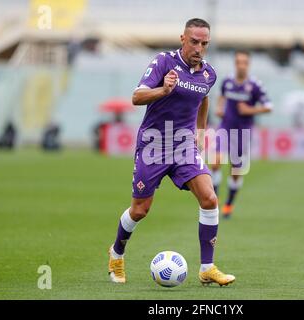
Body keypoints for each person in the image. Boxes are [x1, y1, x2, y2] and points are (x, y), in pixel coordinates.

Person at [107, 18, 235, 286]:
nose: (199, 48)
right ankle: (117, 253)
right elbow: (137, 97)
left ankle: (207, 267)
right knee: (140, 210)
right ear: (182, 39)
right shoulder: (164, 62)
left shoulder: (208, 74)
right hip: (153, 146)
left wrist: (200, 131)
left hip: (184, 146)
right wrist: (163, 90)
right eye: (194, 42)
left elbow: (204, 97)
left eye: (204, 43)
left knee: (210, 198)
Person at [211, 50, 272, 218]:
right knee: (215, 163)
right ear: (235, 63)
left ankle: (229, 204)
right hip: (225, 127)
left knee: (236, 171)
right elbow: (222, 96)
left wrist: (250, 110)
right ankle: (213, 201)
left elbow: (269, 106)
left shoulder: (255, 85)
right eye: (238, 62)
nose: (241, 65)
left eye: (244, 62)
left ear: (248, 64)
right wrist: (219, 108)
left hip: (243, 133)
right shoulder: (227, 81)